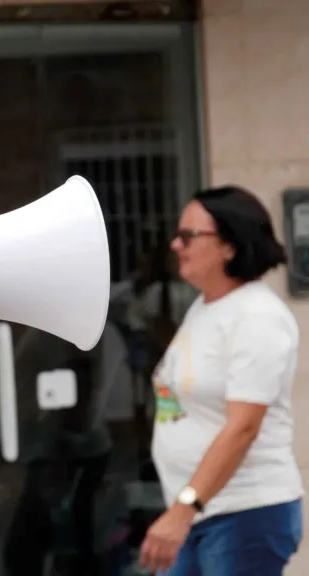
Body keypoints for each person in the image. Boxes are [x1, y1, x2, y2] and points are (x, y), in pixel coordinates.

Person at [139, 185, 304, 575]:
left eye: (189, 235)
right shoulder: (205, 306)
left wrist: (184, 509)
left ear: (230, 246)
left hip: (242, 514)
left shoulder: (257, 316)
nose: (175, 244)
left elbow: (243, 427)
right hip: (200, 513)